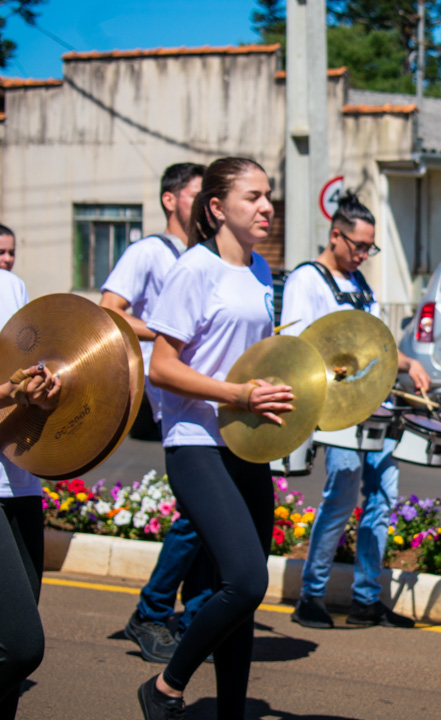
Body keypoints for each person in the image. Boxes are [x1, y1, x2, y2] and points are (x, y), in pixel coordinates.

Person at [137, 157, 293, 720]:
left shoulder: (259, 271)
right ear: (216, 207)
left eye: (268, 196)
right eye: (253, 196)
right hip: (195, 442)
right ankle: (166, 686)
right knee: (247, 581)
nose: (266, 206)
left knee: (242, 598)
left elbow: (253, 358)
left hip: (246, 444)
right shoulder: (194, 268)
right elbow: (161, 366)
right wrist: (238, 395)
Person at [283, 192, 429, 629]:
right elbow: (295, 347)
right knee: (342, 497)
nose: (364, 255)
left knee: (383, 499)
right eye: (359, 246)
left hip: (378, 410)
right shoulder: (306, 281)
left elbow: (377, 347)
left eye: (370, 248)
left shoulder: (362, 286)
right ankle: (312, 594)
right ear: (335, 235)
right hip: (337, 413)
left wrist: (409, 363)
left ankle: (367, 598)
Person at [101, 162, 211, 664]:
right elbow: (108, 309)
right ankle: (153, 611)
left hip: (209, 393)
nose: (207, 202)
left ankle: (194, 616)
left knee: (209, 512)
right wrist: (164, 330)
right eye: (196, 194)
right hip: (167, 392)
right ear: (171, 200)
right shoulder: (149, 251)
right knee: (198, 510)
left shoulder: (209, 256)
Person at [0, 264, 61, 720]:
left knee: (11, 662)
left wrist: (43, 390)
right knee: (20, 647)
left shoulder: (10, 286)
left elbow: (28, 378)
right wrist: (10, 391)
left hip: (20, 481)